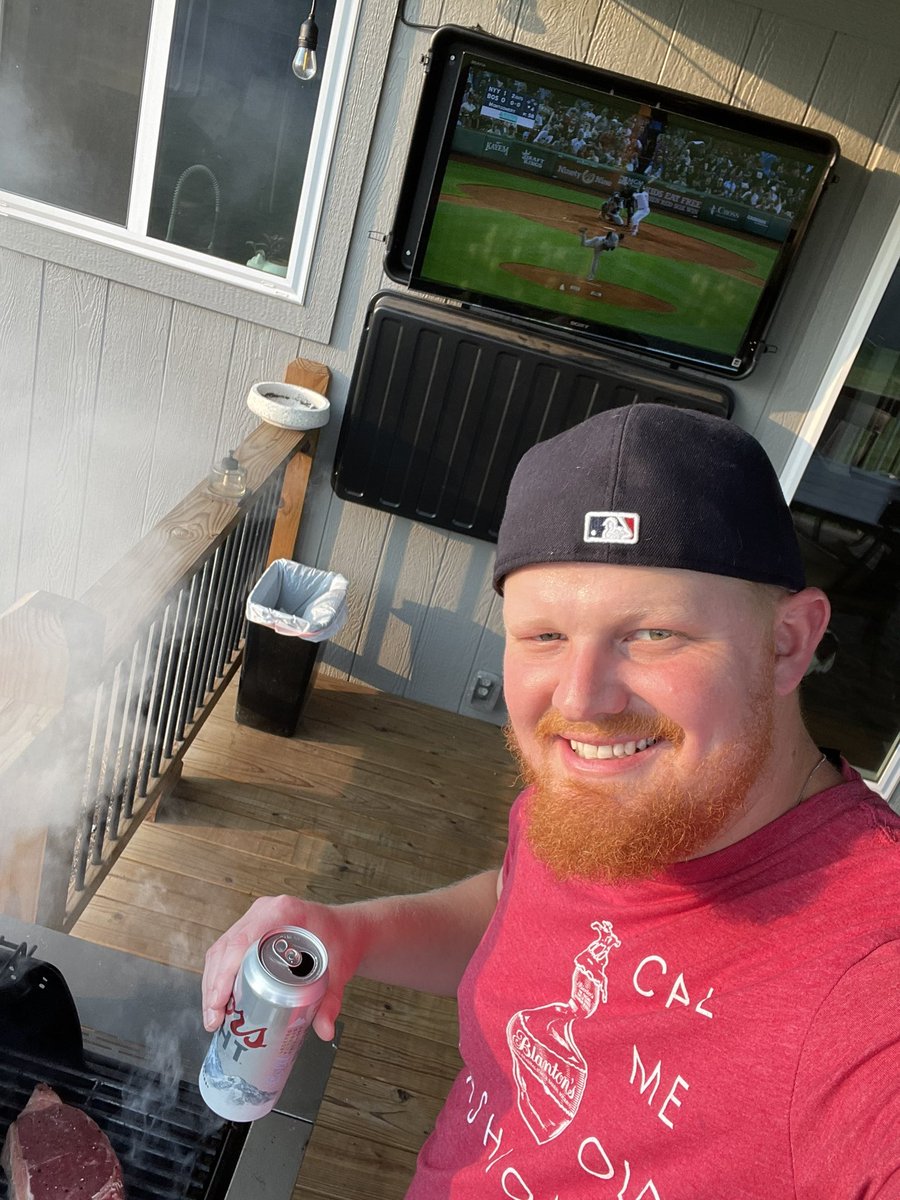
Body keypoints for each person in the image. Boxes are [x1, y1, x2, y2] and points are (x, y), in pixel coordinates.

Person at [202, 403, 900, 1199]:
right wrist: (354, 933)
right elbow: (517, 911)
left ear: (787, 644)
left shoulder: (868, 978)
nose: (582, 700)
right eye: (544, 636)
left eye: (653, 634)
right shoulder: (596, 797)